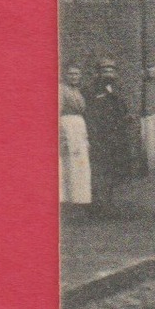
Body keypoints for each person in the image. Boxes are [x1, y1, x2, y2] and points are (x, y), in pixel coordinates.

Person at [83, 57, 136, 212]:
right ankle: (98, 205)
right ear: (98, 73)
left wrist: (127, 117)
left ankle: (108, 203)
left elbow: (122, 108)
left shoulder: (117, 88)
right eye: (105, 71)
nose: (109, 73)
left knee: (114, 170)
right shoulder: (91, 90)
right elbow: (90, 114)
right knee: (100, 171)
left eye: (111, 70)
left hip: (117, 137)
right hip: (101, 138)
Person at [59, 64, 92, 206]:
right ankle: (67, 199)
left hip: (79, 127)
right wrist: (61, 136)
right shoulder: (61, 90)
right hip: (67, 126)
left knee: (81, 162)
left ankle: (80, 198)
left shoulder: (79, 91)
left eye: (77, 74)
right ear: (65, 75)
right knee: (68, 163)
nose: (74, 77)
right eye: (71, 74)